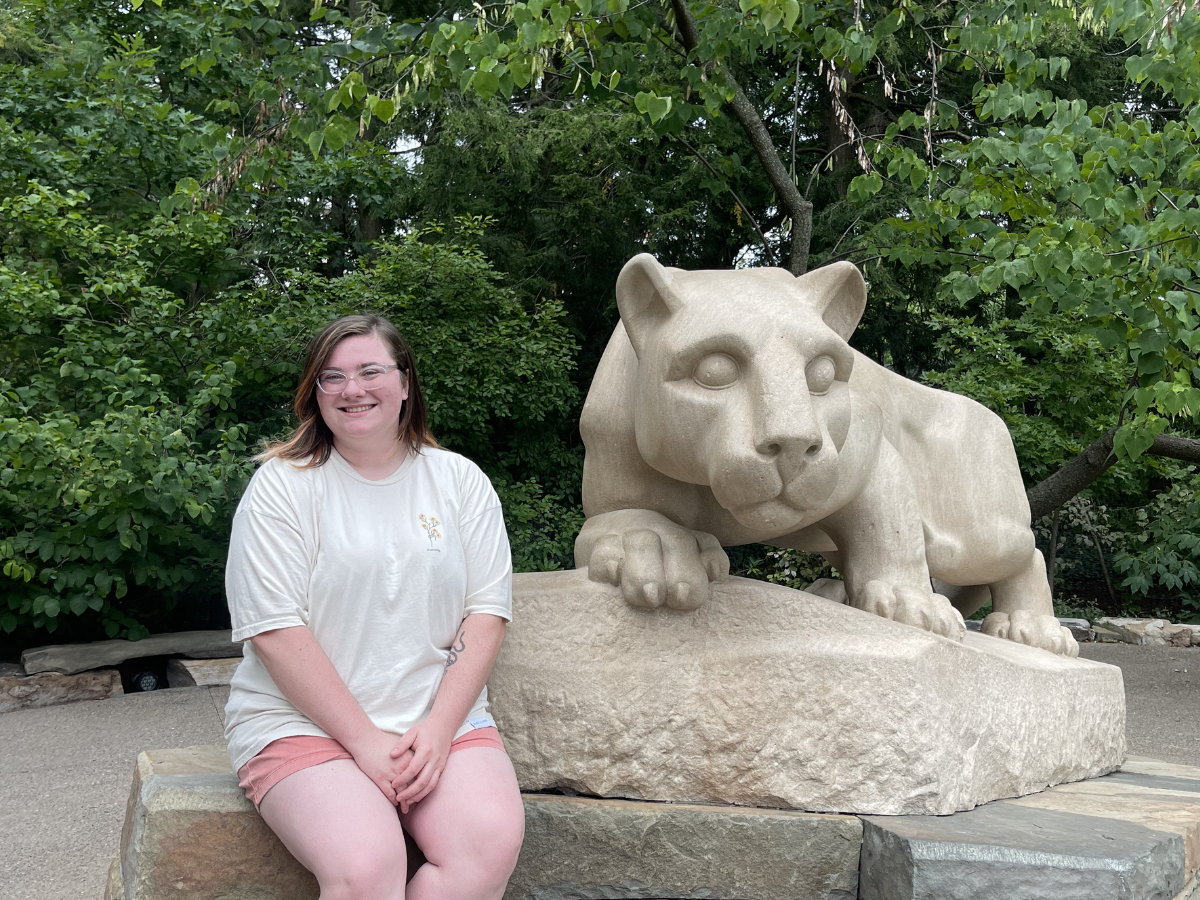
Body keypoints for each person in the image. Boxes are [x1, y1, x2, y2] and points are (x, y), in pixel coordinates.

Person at [222, 313, 525, 900]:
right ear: (315, 393)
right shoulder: (282, 486)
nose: (352, 390)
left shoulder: (460, 481)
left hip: (439, 721)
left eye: (370, 371)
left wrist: (438, 729)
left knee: (486, 847)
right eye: (331, 377)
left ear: (406, 383)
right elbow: (275, 631)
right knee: (366, 866)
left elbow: (486, 613)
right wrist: (363, 742)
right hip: (301, 723)